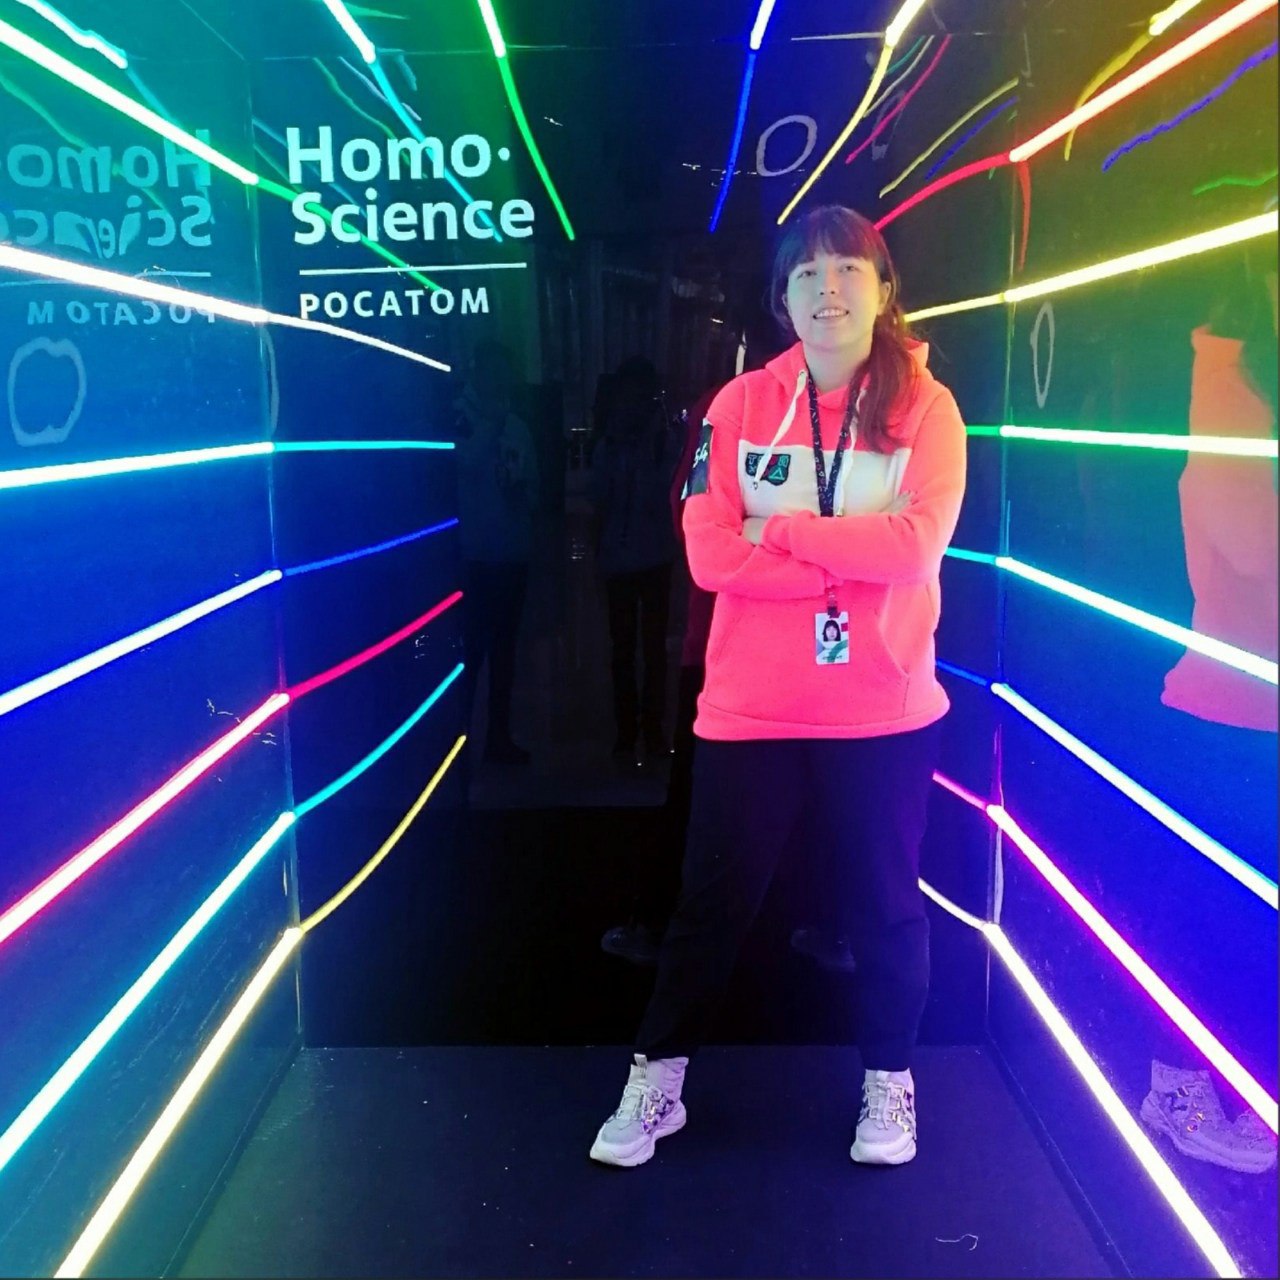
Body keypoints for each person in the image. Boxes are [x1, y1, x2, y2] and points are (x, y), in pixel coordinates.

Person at [589, 205, 967, 1169]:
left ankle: (890, 1083)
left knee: (884, 907)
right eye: (806, 274)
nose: (827, 290)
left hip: (883, 711)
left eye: (848, 270)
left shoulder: (927, 409)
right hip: (749, 711)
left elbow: (916, 546)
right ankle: (658, 1079)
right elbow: (710, 555)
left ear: (884, 290)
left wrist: (786, 532)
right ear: (783, 298)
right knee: (709, 908)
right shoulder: (740, 406)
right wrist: (846, 560)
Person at [591, 357, 683, 762]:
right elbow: (599, 497)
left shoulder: (663, 440)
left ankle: (651, 730)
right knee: (624, 649)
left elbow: (667, 494)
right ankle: (627, 731)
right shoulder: (609, 443)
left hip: (655, 556)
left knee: (653, 648)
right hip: (620, 558)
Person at [453, 340, 538, 766]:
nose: (498, 379)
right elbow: (463, 463)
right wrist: (491, 426)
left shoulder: (517, 425)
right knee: (470, 653)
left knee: (505, 652)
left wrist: (524, 494)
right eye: (492, 370)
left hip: (511, 552)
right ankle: (461, 739)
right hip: (474, 555)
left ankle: (498, 737)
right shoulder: (462, 417)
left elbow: (535, 486)